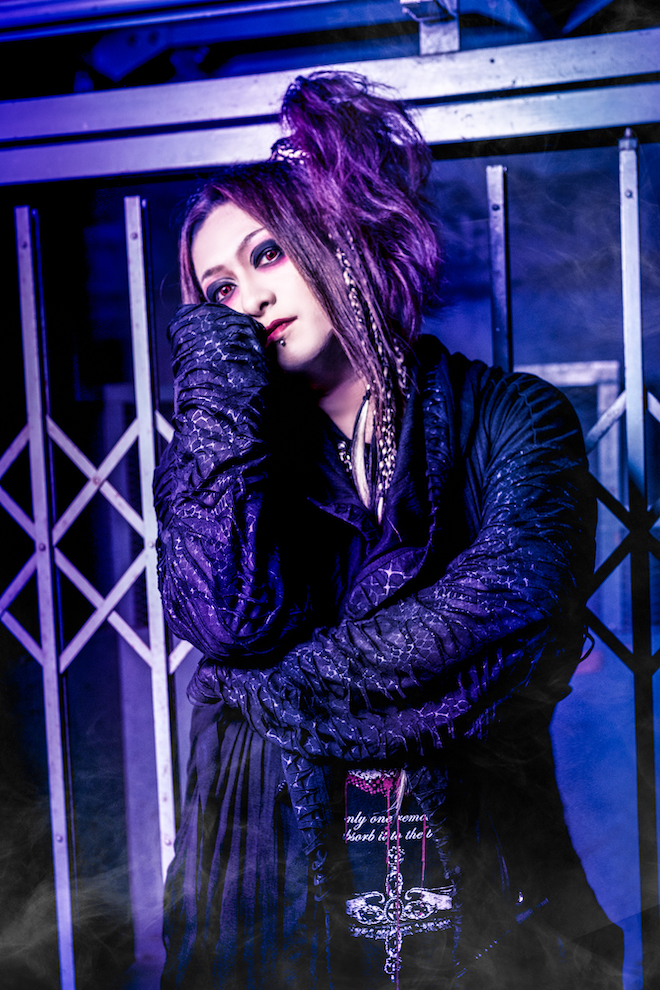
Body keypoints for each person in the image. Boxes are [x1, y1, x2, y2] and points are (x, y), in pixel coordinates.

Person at [153, 71, 623, 990]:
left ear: (335, 243)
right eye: (217, 289)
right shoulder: (223, 460)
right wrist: (215, 374)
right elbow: (222, 616)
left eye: (267, 255)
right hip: (264, 897)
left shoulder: (514, 419)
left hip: (481, 884)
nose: (248, 298)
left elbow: (514, 608)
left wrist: (261, 690)